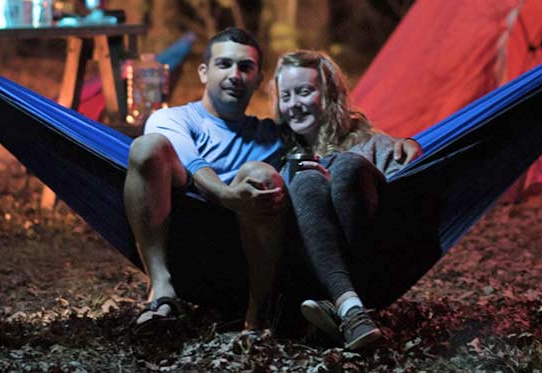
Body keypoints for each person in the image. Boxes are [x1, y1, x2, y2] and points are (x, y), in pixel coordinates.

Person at [124, 28, 287, 329]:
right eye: (224, 64)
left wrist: (398, 144)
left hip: (247, 252)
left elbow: (337, 140)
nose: (235, 75)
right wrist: (227, 195)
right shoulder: (171, 118)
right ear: (204, 72)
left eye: (245, 67)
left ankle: (258, 313)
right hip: (183, 240)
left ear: (259, 80)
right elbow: (193, 163)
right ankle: (161, 289)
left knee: (263, 174)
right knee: (146, 147)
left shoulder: (272, 135)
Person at [274, 50, 421, 350]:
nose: (294, 105)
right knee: (305, 177)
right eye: (285, 95)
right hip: (303, 275)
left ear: (329, 94)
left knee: (346, 166)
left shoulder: (373, 144)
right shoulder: (275, 153)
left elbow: (409, 196)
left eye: (304, 92)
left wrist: (414, 146)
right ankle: (349, 308)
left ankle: (343, 304)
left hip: (374, 262)